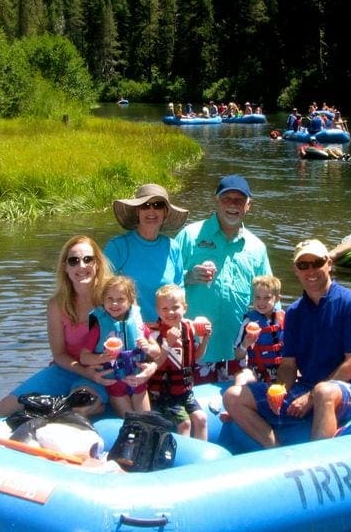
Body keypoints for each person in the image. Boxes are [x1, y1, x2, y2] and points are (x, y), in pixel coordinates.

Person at [222, 239, 351, 447]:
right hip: (306, 386)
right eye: (303, 265)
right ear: (296, 270)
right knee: (233, 396)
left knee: (324, 391)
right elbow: (288, 364)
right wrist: (280, 389)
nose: (310, 270)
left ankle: (318, 460)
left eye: (317, 263)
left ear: (328, 263)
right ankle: (276, 451)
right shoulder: (294, 312)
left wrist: (311, 397)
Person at [0, 235, 114, 418]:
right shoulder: (57, 305)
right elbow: (59, 354)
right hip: (66, 369)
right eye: (74, 261)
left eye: (88, 259)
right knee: (1, 410)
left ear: (97, 264)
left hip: (100, 371)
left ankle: (96, 406)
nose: (81, 266)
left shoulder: (112, 298)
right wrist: (83, 371)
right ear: (65, 267)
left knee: (79, 408)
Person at [174, 174, 272, 381]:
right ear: (216, 201)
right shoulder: (190, 235)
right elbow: (167, 285)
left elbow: (270, 297)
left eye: (239, 200)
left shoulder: (257, 247)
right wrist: (189, 276)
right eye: (227, 199)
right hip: (196, 348)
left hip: (238, 349)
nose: (233, 205)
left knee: (234, 407)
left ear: (249, 205)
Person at [105, 184, 188, 323]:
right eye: (145, 205)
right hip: (128, 331)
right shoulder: (117, 247)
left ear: (165, 212)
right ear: (137, 211)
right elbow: (101, 290)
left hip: (165, 332)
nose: (151, 210)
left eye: (158, 205)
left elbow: (180, 289)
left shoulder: (173, 247)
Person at [80, 275, 159, 417]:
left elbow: (156, 351)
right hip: (114, 383)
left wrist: (147, 347)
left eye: (120, 299)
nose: (114, 304)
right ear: (103, 300)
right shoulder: (99, 326)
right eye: (110, 299)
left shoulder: (137, 323)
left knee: (146, 420)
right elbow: (84, 358)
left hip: (138, 381)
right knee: (129, 420)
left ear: (130, 301)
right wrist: (102, 358)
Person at [147, 284, 211, 439]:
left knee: (201, 418)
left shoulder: (189, 328)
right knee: (185, 424)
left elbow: (196, 357)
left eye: (175, 307)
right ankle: (182, 460)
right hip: (163, 393)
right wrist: (167, 343)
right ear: (158, 311)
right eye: (165, 309)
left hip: (184, 390)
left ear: (185, 308)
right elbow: (153, 363)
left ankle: (202, 458)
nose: (170, 312)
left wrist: (205, 339)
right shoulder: (153, 334)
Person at [232, 275, 284, 386]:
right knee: (241, 377)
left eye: (267, 298)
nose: (261, 302)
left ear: (277, 299)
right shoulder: (248, 322)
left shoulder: (284, 319)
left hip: (282, 371)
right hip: (257, 372)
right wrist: (245, 344)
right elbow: (238, 355)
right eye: (257, 297)